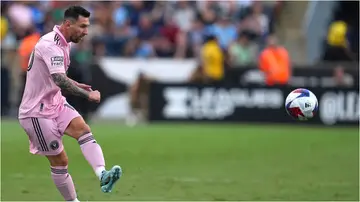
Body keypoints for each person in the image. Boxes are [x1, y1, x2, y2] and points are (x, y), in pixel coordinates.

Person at [18, 6, 122, 202]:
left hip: (54, 102)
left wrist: (76, 84)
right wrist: (86, 95)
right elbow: (58, 79)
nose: (86, 31)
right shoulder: (50, 44)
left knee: (83, 130)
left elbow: (57, 76)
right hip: (36, 113)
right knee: (61, 161)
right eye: (82, 26)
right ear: (67, 24)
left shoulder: (64, 42)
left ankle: (103, 175)